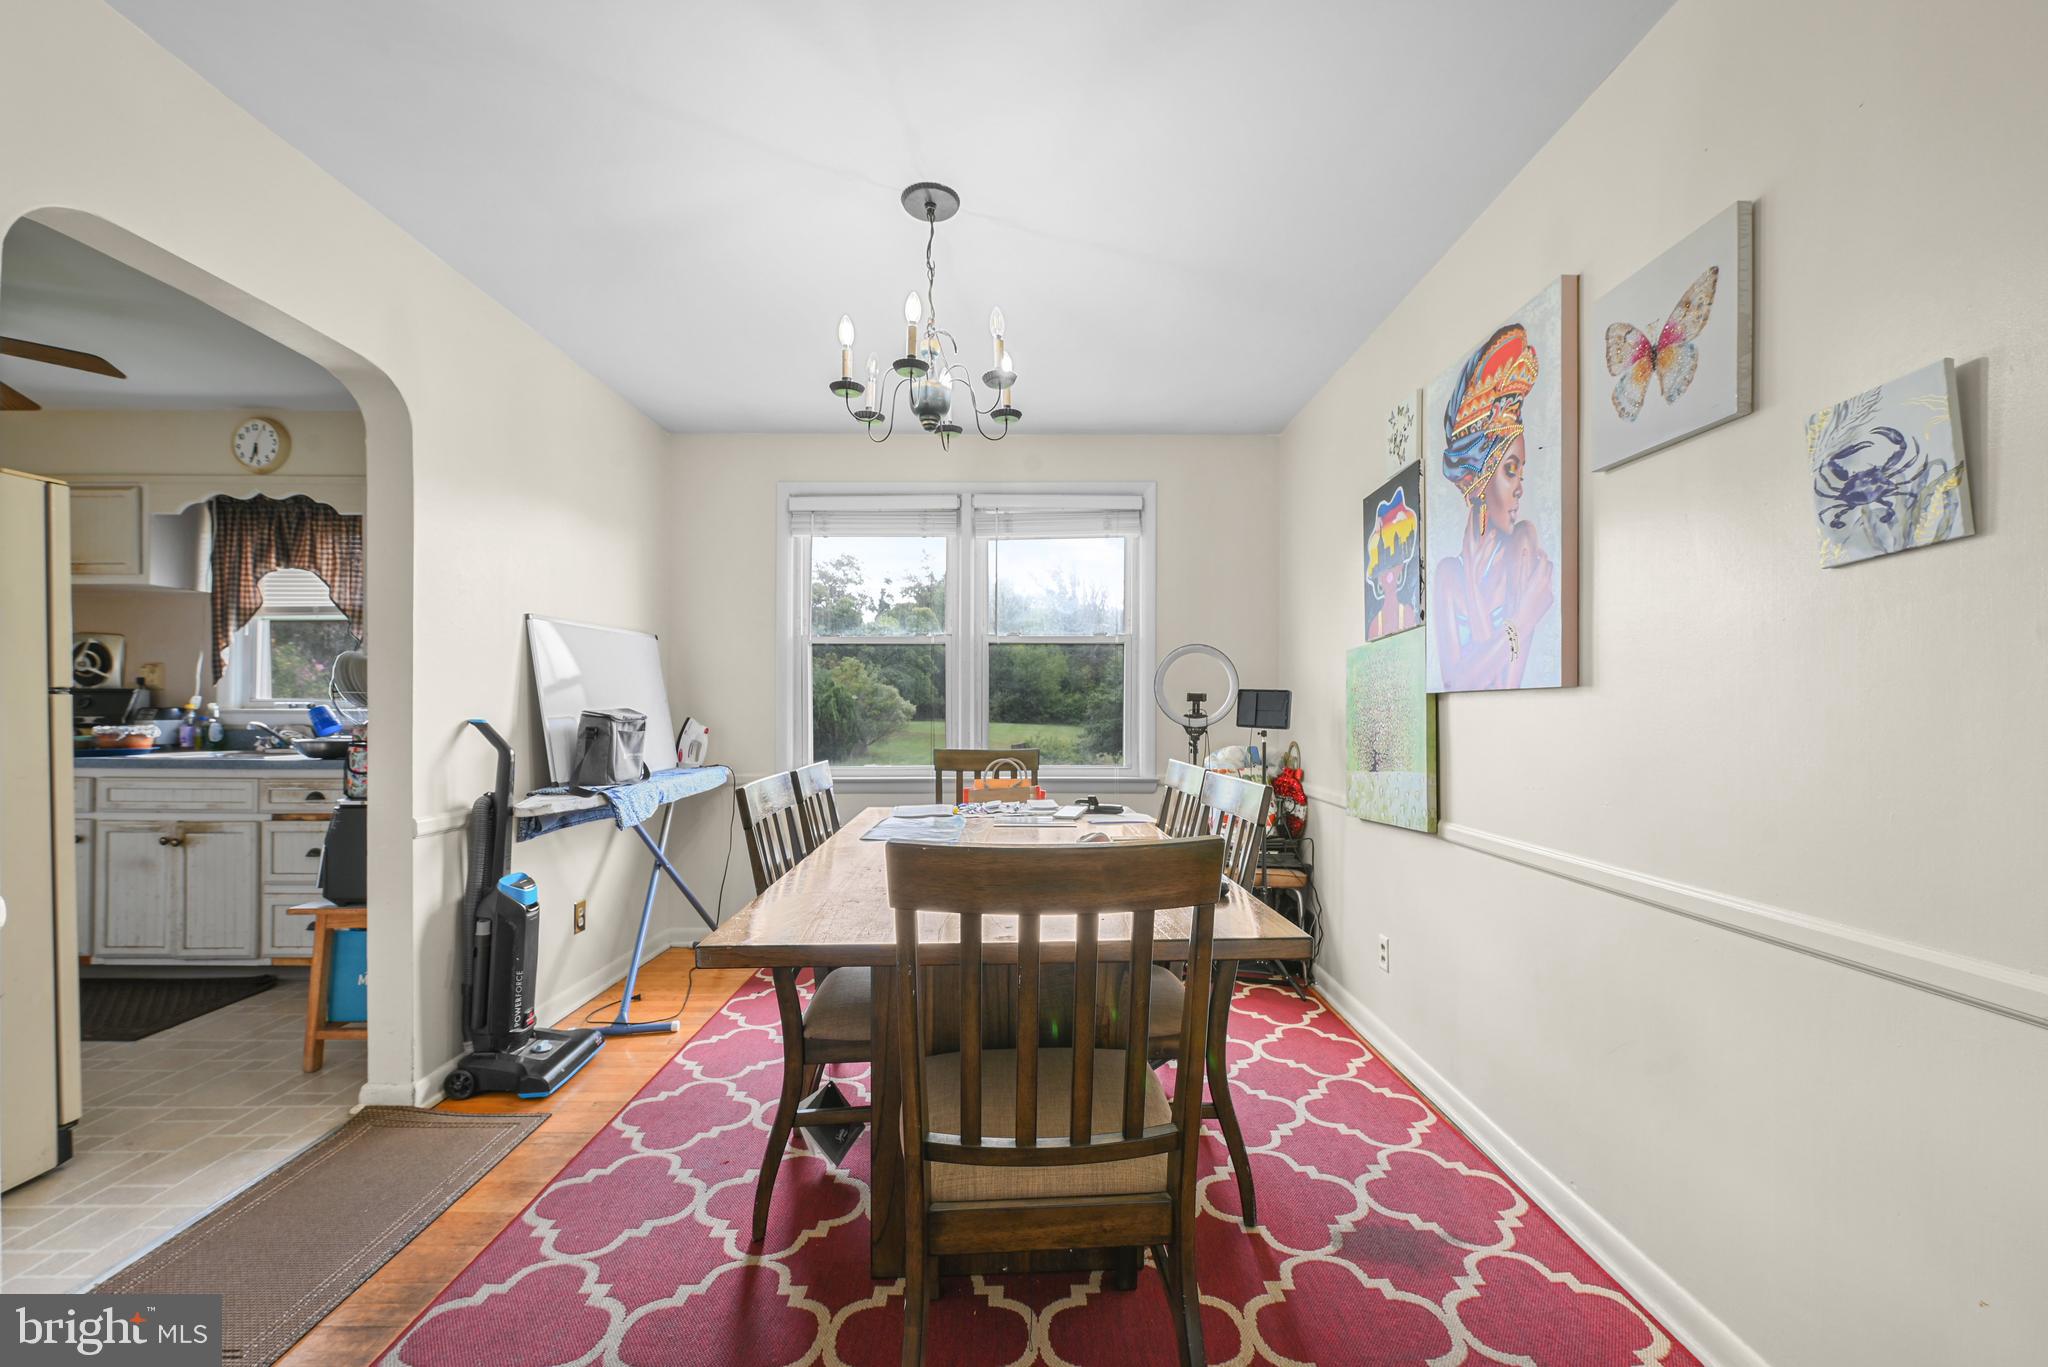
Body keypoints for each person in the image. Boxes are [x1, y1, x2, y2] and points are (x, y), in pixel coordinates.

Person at [1431, 324, 1555, 690]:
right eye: (1510, 470)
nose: (1520, 488)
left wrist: (1482, 605)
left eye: (1521, 472)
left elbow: (1503, 686)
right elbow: (1455, 681)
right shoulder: (1448, 575)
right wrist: (1522, 617)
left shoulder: (1523, 545)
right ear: (1481, 480)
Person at [1364, 485, 1420, 639]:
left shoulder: (1408, 613)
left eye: (1393, 567)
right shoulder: (1374, 626)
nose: (1388, 575)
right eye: (1382, 571)